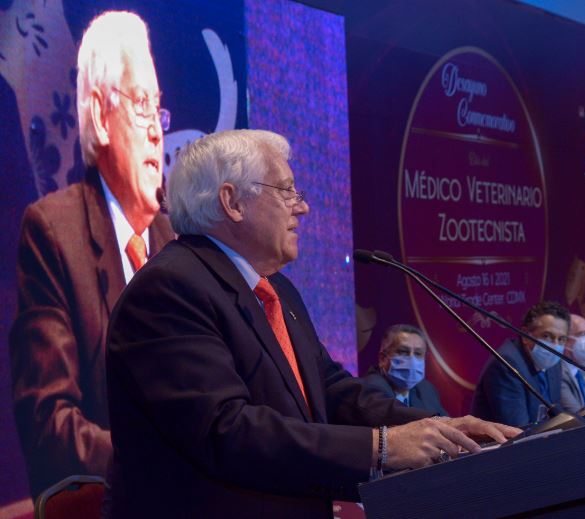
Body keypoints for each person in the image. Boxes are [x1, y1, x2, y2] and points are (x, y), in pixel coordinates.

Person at [102, 129, 519, 517]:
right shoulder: (168, 290)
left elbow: (331, 391)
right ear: (232, 202)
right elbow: (226, 431)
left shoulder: (276, 289)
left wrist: (441, 431)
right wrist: (382, 447)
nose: (302, 206)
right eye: (286, 190)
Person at [9, 11, 174, 498]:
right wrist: (158, 467)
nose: (157, 130)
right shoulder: (53, 233)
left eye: (158, 108)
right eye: (141, 104)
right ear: (101, 117)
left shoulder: (176, 242)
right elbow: (48, 423)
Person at [471, 302, 569, 427]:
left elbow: (556, 416)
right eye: (547, 336)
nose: (555, 346)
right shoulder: (506, 364)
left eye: (561, 339)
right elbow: (518, 428)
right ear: (525, 335)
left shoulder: (554, 361)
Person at [362, 324, 448, 416]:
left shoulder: (426, 389)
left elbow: (446, 421)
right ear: (382, 358)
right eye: (403, 351)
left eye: (418, 353)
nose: (412, 360)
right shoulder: (369, 389)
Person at [559, 314, 585, 414]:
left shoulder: (584, 369)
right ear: (564, 339)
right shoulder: (558, 373)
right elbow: (577, 414)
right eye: (582, 334)